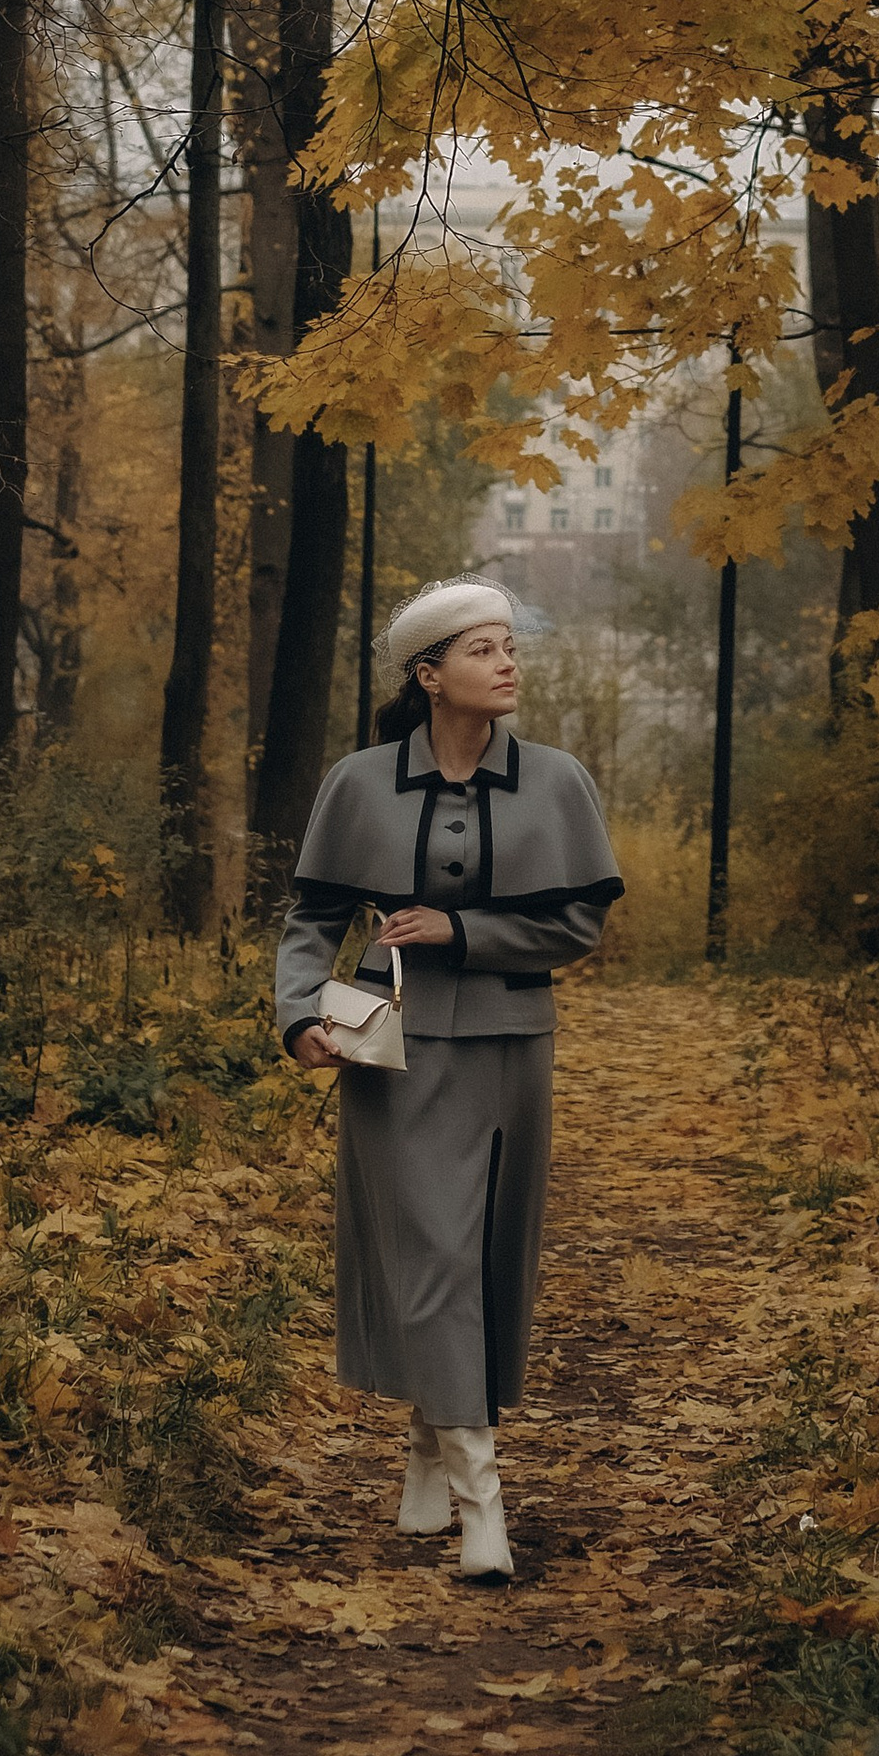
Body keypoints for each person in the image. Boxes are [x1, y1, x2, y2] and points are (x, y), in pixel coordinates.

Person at [275, 578, 623, 1581]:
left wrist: (463, 930)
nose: (506, 662)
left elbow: (576, 925)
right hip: (397, 1049)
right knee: (429, 1255)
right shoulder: (357, 782)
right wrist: (299, 1012)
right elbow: (310, 923)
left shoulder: (557, 781)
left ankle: (429, 1451)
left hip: (516, 1045)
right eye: (481, 649)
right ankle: (483, 1505)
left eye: (509, 645)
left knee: (483, 1259)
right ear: (428, 675)